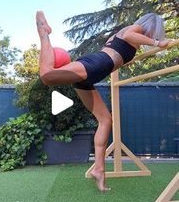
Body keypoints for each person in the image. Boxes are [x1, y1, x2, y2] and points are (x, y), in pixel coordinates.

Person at [36, 11, 172, 192]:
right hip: (96, 65)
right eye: (155, 32)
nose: (154, 35)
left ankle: (99, 170)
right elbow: (131, 36)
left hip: (94, 72)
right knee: (47, 75)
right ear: (150, 26)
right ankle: (44, 33)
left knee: (105, 120)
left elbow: (118, 52)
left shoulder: (123, 37)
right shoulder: (135, 29)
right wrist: (158, 43)